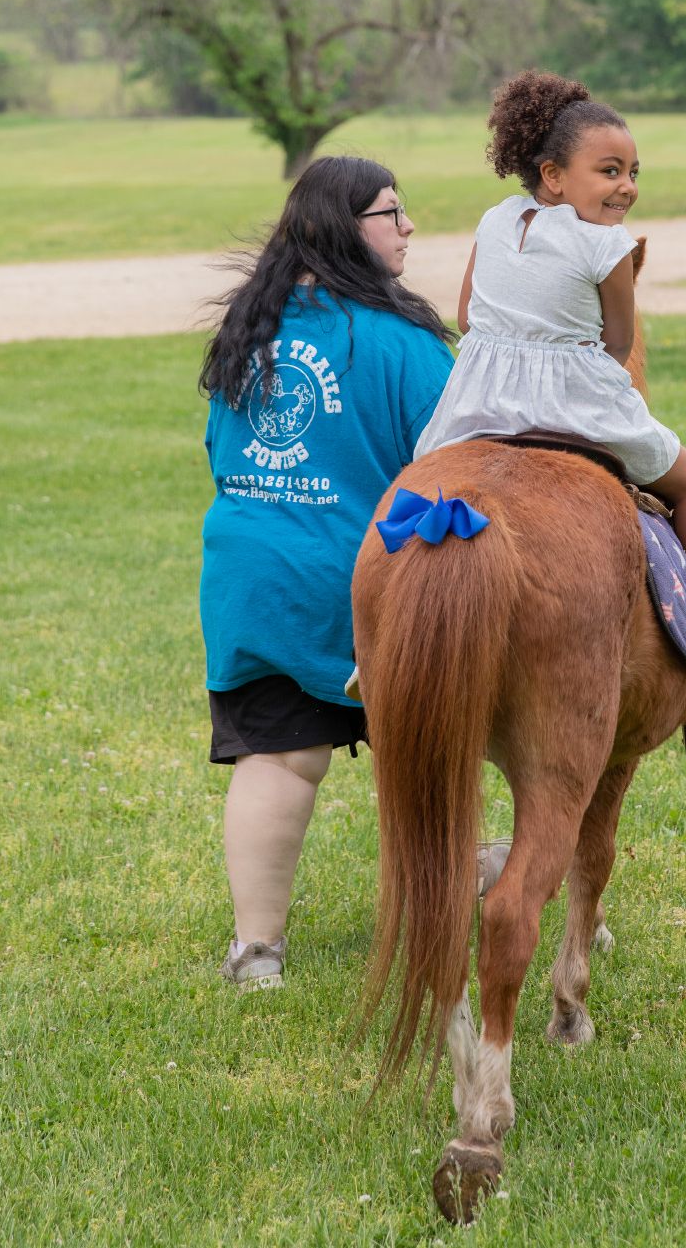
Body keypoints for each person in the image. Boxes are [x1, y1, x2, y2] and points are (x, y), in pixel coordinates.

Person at [415, 69, 686, 695]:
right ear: (554, 175)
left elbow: (468, 315)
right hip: (574, 403)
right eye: (609, 171)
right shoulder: (608, 246)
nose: (627, 187)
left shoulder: (497, 219)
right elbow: (616, 342)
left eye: (633, 172)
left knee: (419, 487)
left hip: (478, 403)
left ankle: (376, 645)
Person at [199, 156, 455, 991]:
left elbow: (218, 451)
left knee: (275, 760)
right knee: (430, 748)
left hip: (254, 580)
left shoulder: (250, 325)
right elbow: (455, 462)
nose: (408, 226)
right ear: (346, 227)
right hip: (368, 585)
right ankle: (458, 892)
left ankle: (257, 951)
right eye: (392, 212)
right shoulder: (404, 343)